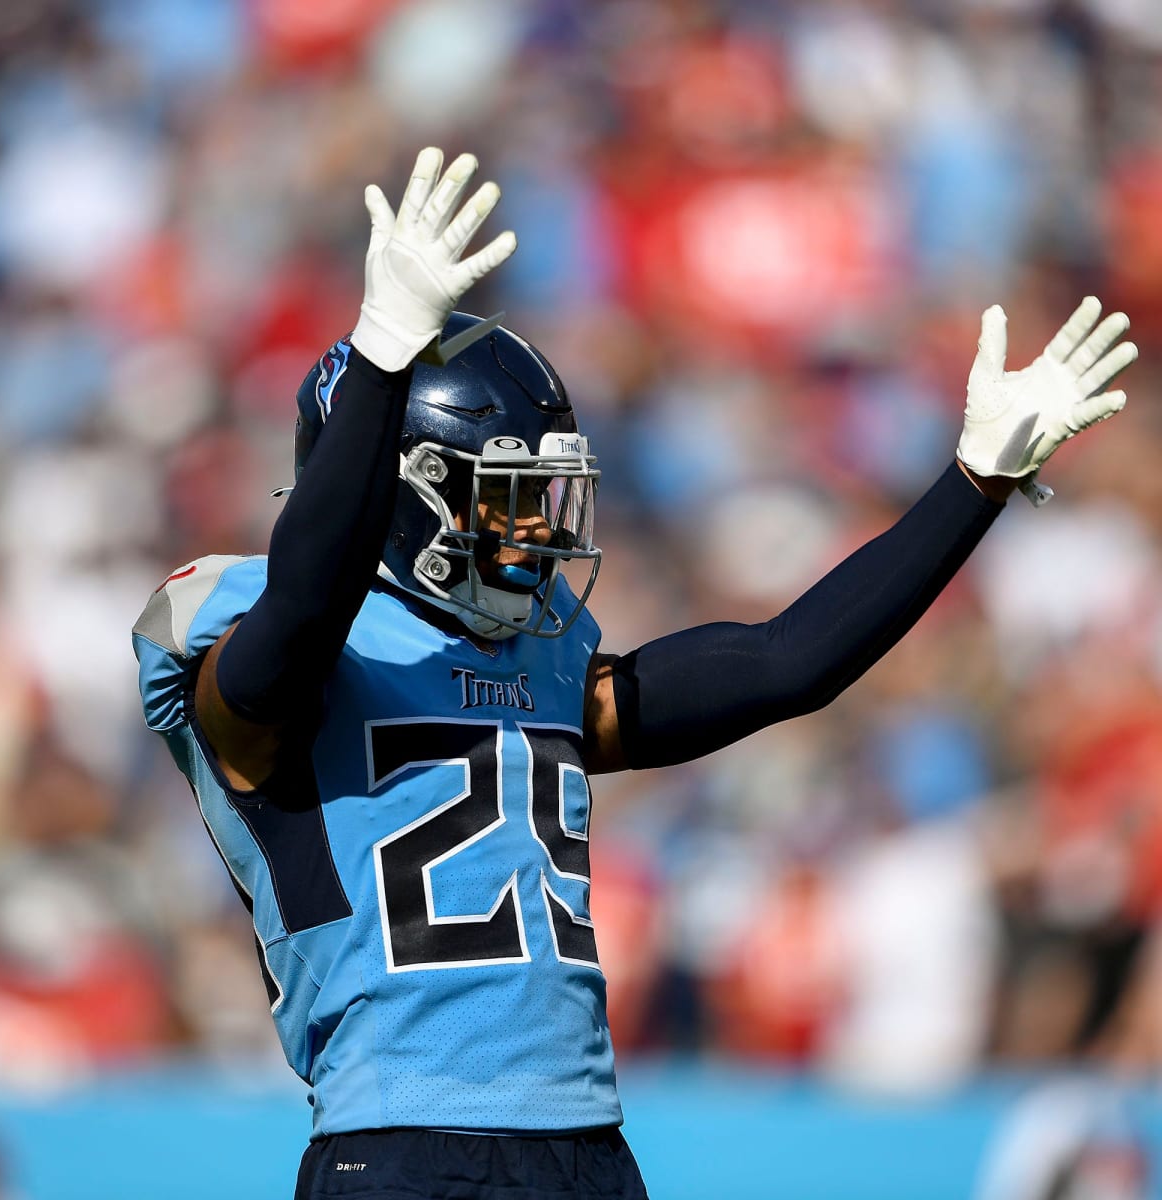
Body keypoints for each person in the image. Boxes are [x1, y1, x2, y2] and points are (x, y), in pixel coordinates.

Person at [132, 147, 1137, 1200]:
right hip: (399, 1143)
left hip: (589, 1151)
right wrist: (382, 355)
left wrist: (974, 481)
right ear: (400, 493)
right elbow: (303, 607)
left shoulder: (540, 663)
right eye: (502, 497)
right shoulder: (262, 665)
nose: (533, 532)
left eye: (542, 496)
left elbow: (786, 664)